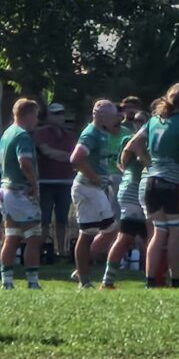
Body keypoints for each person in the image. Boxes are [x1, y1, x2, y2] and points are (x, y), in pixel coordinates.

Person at [124, 84, 179, 288]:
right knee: (176, 233)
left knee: (158, 232)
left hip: (152, 182)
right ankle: (176, 279)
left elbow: (133, 144)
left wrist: (148, 162)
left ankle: (150, 280)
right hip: (172, 183)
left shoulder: (154, 121)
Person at [69, 100, 120, 289]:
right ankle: (83, 278)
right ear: (102, 117)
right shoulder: (91, 134)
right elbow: (76, 159)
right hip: (87, 188)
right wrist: (95, 177)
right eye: (113, 116)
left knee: (104, 230)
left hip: (94, 190)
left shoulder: (102, 133)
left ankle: (81, 271)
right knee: (93, 232)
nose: (116, 119)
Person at [0, 99, 45, 290]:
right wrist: (34, 184)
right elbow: (24, 162)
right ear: (28, 115)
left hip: (4, 189)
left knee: (12, 236)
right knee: (33, 236)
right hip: (19, 191)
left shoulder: (7, 133)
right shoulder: (22, 135)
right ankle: (32, 281)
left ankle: (7, 281)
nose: (36, 120)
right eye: (35, 115)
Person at [105, 109, 150, 287]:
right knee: (127, 237)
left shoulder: (143, 140)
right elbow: (121, 162)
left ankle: (154, 277)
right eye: (135, 121)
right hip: (134, 191)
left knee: (145, 237)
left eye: (141, 121)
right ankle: (108, 280)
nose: (137, 124)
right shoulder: (132, 141)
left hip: (137, 191)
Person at [34, 103, 77, 261]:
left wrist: (67, 157)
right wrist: (68, 157)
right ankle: (39, 249)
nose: (59, 116)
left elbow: (75, 154)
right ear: (48, 116)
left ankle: (61, 251)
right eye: (55, 113)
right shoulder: (41, 132)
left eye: (61, 113)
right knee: (44, 218)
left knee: (62, 218)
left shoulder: (69, 135)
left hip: (65, 182)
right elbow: (47, 152)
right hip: (45, 182)